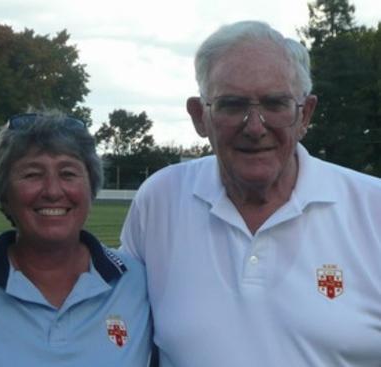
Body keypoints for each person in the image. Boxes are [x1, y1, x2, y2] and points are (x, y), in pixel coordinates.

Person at [120, 20, 381, 366]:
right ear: (200, 117)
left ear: (305, 115)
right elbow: (116, 333)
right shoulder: (160, 200)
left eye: (275, 104)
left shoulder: (372, 208)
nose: (255, 127)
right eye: (232, 105)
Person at [0, 112, 153, 366]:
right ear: (5, 194)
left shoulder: (137, 281)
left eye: (68, 173)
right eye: (32, 174)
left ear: (90, 188)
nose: (52, 191)